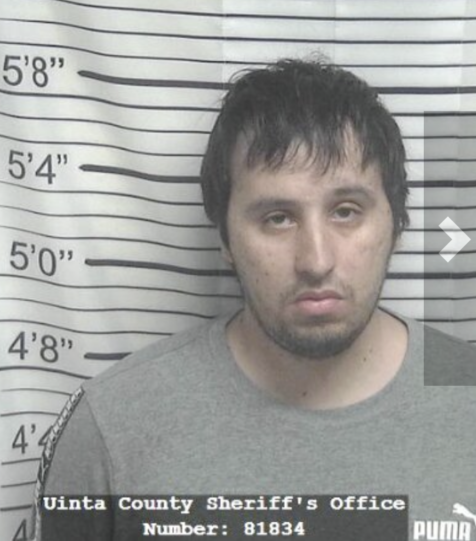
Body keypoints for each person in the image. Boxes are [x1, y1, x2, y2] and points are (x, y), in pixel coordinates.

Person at [35, 59, 476, 540]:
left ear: (397, 224)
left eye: (346, 212)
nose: (316, 260)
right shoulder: (113, 425)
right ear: (225, 237)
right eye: (277, 218)